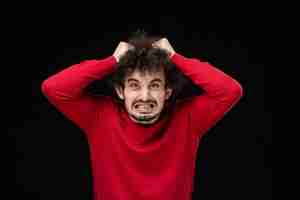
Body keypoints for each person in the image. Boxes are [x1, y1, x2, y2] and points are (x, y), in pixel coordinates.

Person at [41, 31, 243, 200]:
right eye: (134, 85)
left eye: (154, 85)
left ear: (167, 92)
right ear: (121, 91)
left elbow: (229, 90)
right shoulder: (100, 116)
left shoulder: (188, 118)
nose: (144, 96)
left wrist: (174, 57)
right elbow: (54, 87)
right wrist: (112, 61)